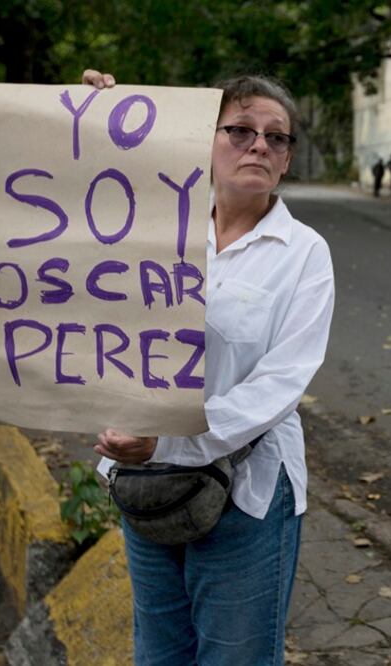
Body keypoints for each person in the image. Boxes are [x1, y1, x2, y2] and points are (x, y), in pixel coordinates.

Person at [83, 69, 335, 663]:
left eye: (278, 138)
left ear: (288, 159)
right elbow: (80, 229)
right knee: (159, 653)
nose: (260, 146)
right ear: (205, 140)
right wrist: (90, 118)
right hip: (147, 486)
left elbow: (278, 387)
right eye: (241, 129)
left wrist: (165, 440)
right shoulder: (155, 227)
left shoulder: (304, 255)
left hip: (245, 497)